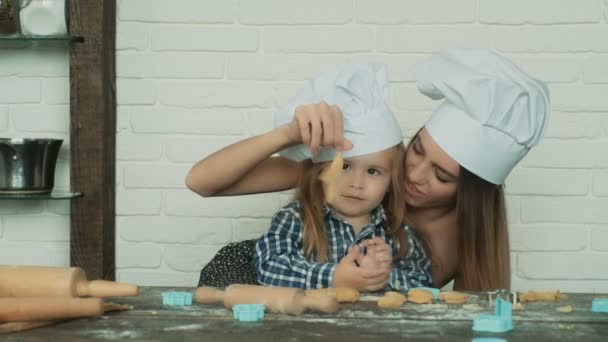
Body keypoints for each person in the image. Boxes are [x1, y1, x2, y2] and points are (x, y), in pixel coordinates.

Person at [188, 49, 550, 291]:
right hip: (253, 275)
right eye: (418, 149)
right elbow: (201, 182)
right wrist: (286, 134)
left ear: (469, 193)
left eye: (442, 176)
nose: (415, 174)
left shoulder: (459, 245)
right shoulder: (347, 175)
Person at [254, 64, 432, 291]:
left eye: (373, 171)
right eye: (345, 166)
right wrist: (334, 277)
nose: (356, 183)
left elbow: (424, 287)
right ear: (321, 171)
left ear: (391, 183)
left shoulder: (399, 234)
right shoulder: (297, 219)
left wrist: (385, 275)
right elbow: (268, 267)